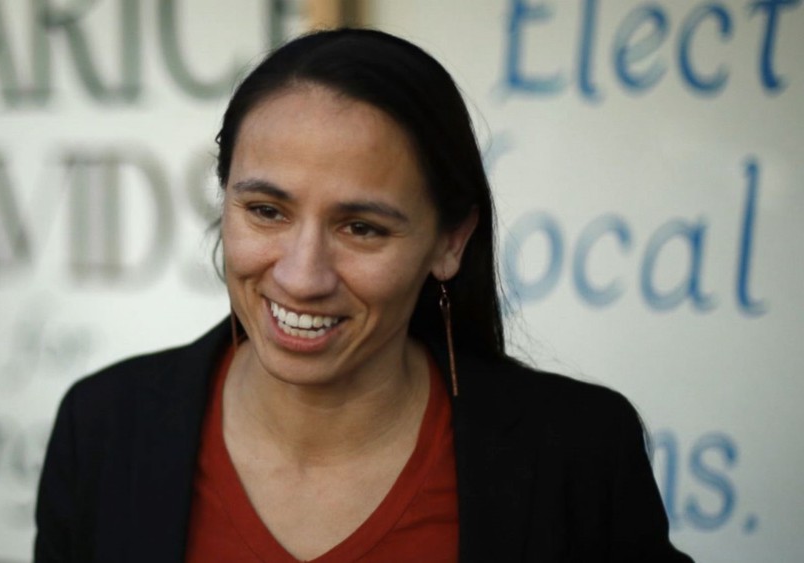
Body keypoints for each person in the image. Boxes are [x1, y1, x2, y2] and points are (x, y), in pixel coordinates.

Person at [34, 29, 693, 562]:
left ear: (451, 241)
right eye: (266, 211)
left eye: (361, 227)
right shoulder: (103, 427)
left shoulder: (578, 453)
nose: (302, 276)